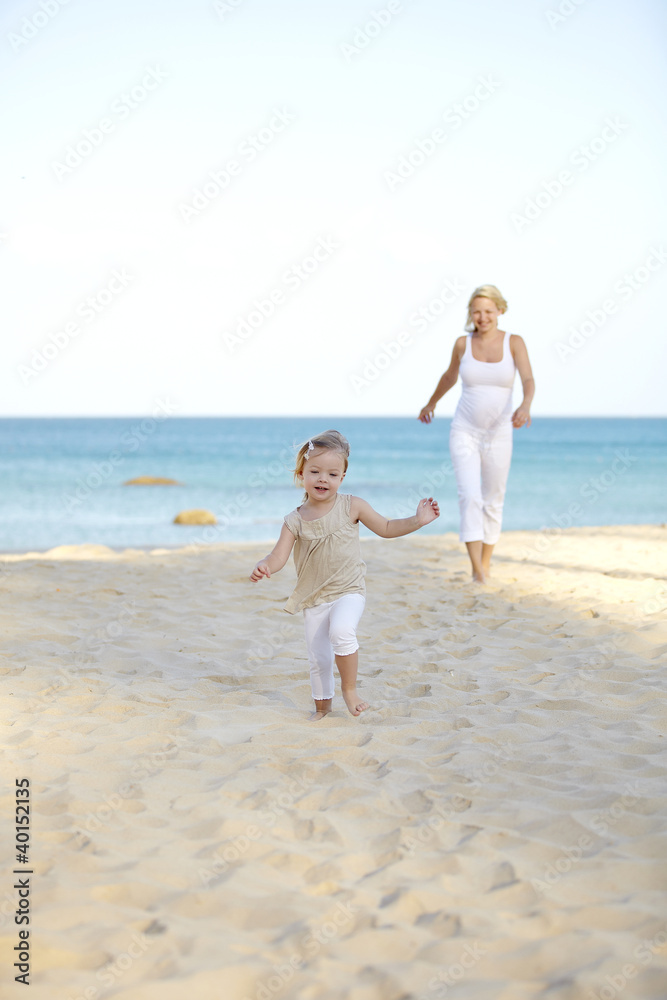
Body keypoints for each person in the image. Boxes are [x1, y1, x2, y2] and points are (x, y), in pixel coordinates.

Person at [250, 430, 440, 721]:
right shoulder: (295, 520)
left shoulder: (353, 506)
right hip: (314, 597)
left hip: (349, 590)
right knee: (319, 659)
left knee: (341, 631)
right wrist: (265, 564)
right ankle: (323, 709)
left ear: (342, 477)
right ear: (302, 474)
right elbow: (279, 556)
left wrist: (418, 520)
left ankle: (350, 691)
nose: (322, 479)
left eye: (332, 473)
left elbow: (387, 527)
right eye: (315, 471)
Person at [418, 284, 534, 584]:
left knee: (493, 499)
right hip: (464, 430)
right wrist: (431, 403)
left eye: (488, 311)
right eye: (476, 311)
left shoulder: (514, 342)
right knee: (469, 496)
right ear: (471, 314)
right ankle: (477, 570)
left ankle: (485, 563)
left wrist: (525, 405)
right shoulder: (462, 344)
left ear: (500, 310)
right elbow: (449, 376)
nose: (482, 317)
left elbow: (528, 379)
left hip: (500, 434)